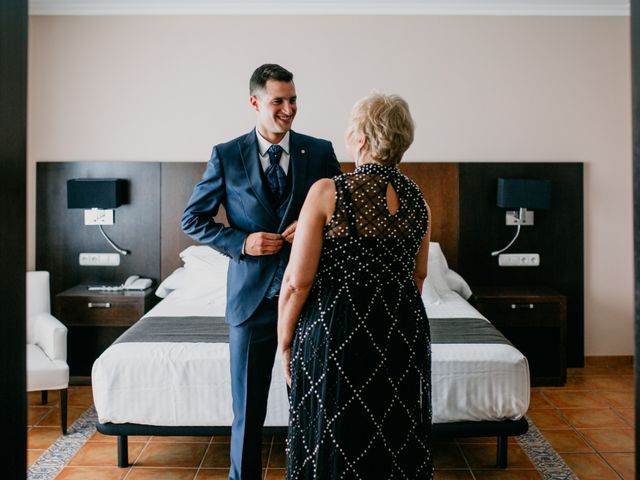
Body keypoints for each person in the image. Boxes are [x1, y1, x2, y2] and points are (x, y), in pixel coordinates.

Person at [181, 64, 342, 480]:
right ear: (255, 102)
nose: (288, 109)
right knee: (247, 412)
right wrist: (241, 242)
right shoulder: (226, 154)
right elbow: (193, 219)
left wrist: (312, 228)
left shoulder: (320, 152)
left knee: (308, 407)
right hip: (250, 304)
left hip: (307, 300)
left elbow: (343, 217)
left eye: (293, 100)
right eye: (278, 101)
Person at [278, 92, 433, 479]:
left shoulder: (328, 192)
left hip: (337, 331)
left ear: (362, 139)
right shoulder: (419, 201)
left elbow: (298, 282)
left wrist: (284, 341)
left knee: (334, 438)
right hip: (401, 330)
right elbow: (419, 275)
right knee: (391, 436)